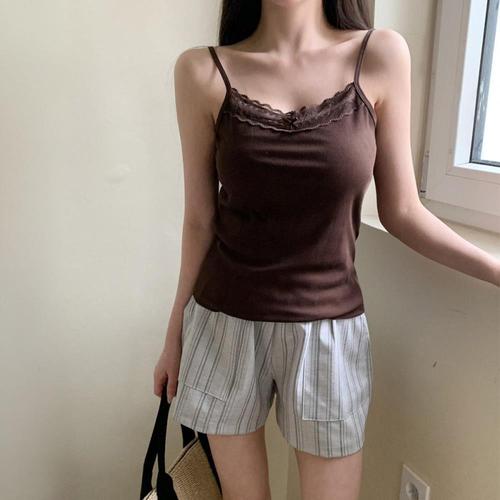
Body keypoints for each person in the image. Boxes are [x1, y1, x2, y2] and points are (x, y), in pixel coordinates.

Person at [154, 1, 500, 499]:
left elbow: (403, 211)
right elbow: (200, 220)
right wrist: (175, 334)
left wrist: (493, 267)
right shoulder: (201, 70)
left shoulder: (380, 56)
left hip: (330, 335)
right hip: (223, 325)